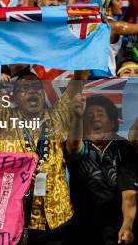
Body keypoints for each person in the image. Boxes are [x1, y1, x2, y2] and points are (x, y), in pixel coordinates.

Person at [0, 67, 89, 244]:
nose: (32, 91)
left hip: (58, 221)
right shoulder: (3, 118)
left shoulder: (58, 117)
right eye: (24, 88)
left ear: (43, 92)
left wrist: (88, 41)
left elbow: (80, 76)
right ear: (14, 97)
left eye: (37, 87)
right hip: (15, 223)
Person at [66, 95, 138, 245]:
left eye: (100, 114)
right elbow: (73, 146)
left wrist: (127, 225)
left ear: (112, 122)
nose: (95, 119)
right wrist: (77, 116)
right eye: (89, 116)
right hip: (81, 230)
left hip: (116, 229)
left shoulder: (123, 147)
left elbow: (129, 193)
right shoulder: (78, 145)